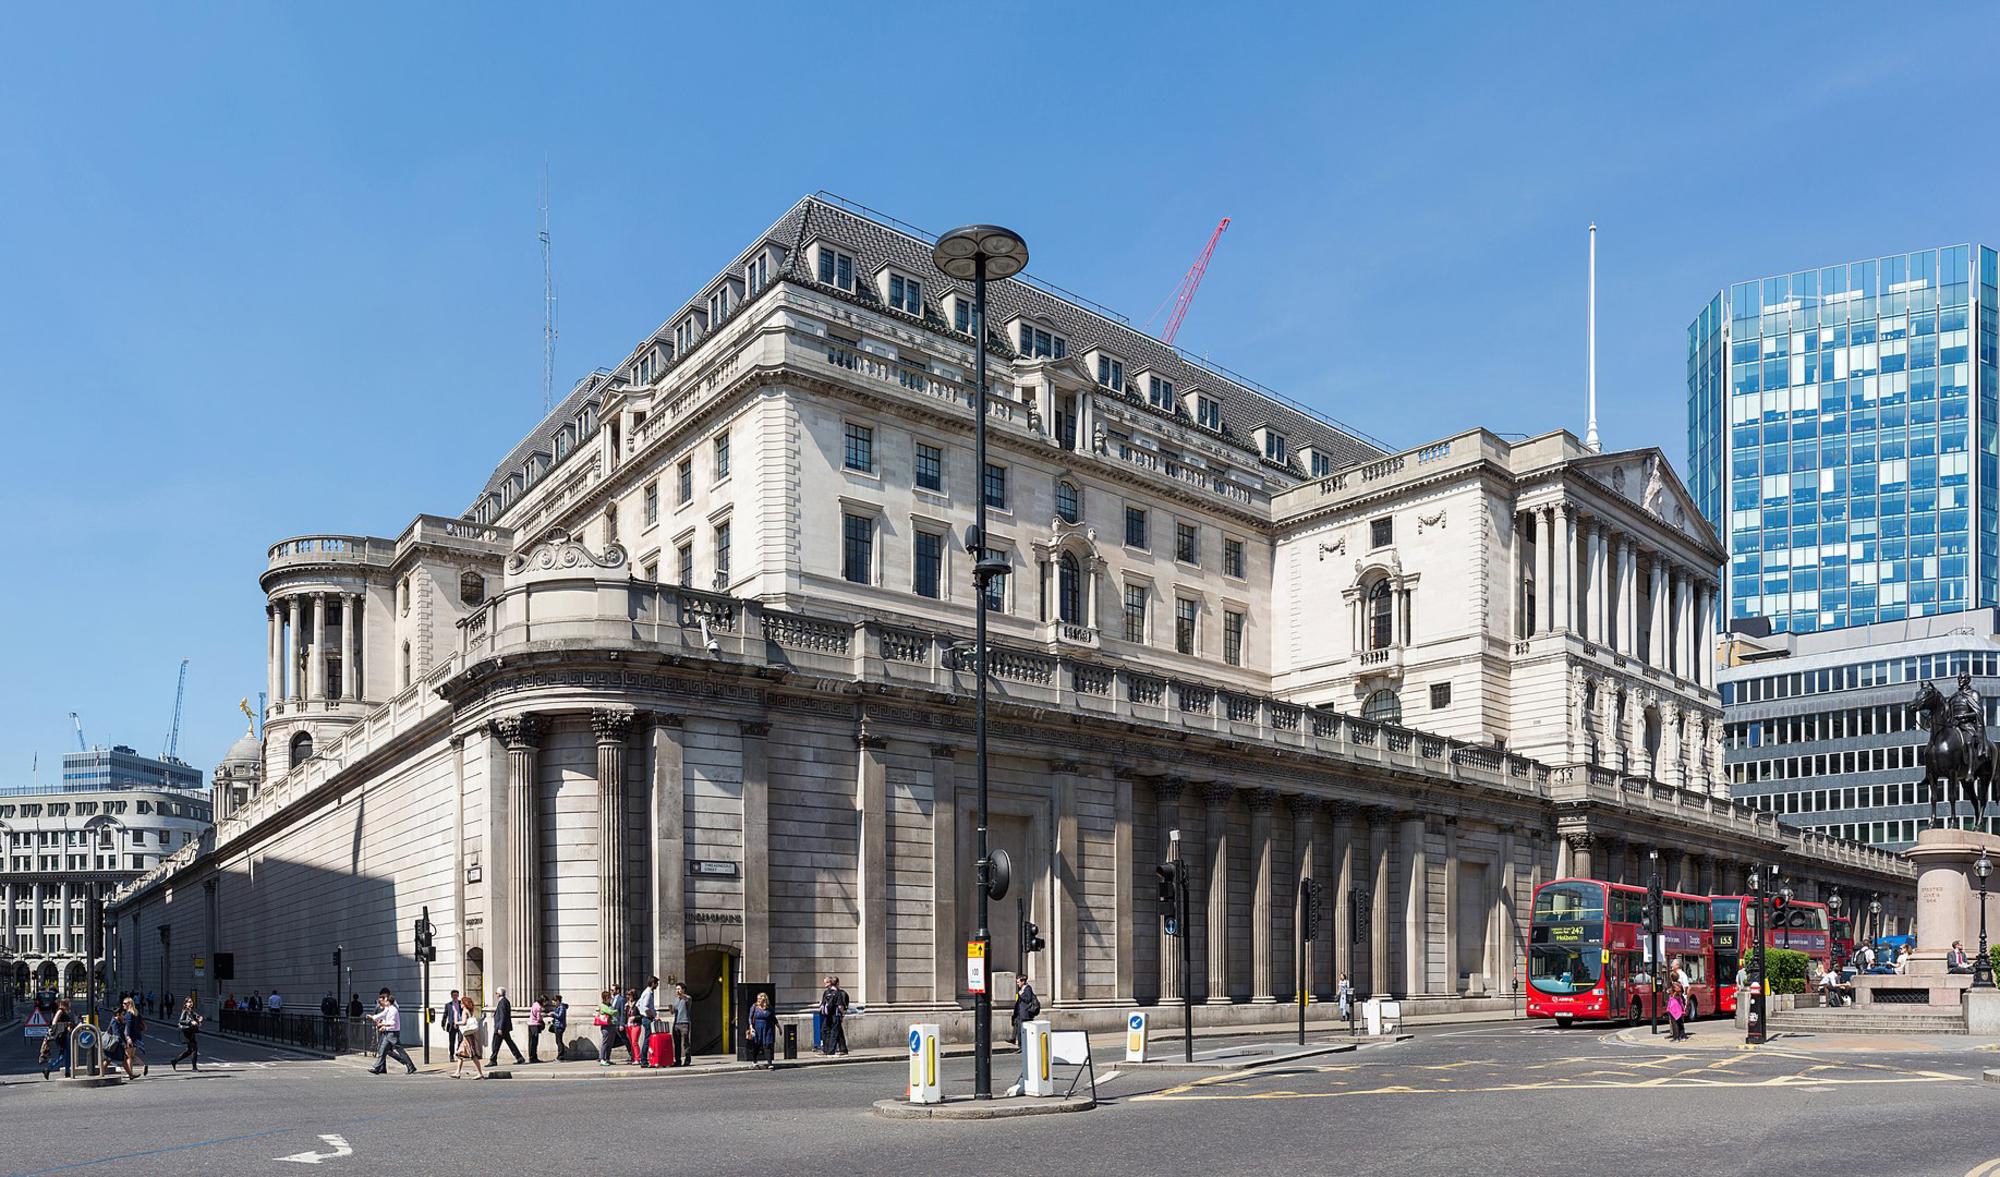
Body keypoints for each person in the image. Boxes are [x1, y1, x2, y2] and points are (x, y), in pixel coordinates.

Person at [369, 988, 418, 1075]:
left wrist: (383, 1025)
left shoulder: (393, 1010)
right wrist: (373, 1017)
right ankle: (377, 1068)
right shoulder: (388, 1009)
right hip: (388, 1033)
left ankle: (411, 1066)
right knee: (382, 1050)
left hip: (393, 1033)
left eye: (385, 1001)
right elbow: (382, 1015)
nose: (384, 1002)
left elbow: (392, 1022)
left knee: (400, 1051)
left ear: (388, 1001)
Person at [487, 987, 524, 1065]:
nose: (496, 995)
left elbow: (503, 1015)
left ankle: (493, 1060)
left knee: (495, 1044)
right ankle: (519, 1058)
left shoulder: (503, 1002)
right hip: (503, 1027)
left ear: (499, 994)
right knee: (509, 1043)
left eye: (496, 993)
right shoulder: (504, 1001)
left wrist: (500, 1028)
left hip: (501, 1028)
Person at [39, 999, 73, 1080]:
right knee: (63, 1055)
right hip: (61, 1036)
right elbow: (54, 1022)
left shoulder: (63, 1012)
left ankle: (67, 1072)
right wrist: (56, 1029)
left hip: (64, 1035)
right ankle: (48, 1069)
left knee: (67, 1055)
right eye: (68, 1004)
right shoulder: (60, 1011)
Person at [115, 996, 147, 1079]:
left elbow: (127, 1027)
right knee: (131, 1055)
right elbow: (141, 1023)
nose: (123, 1005)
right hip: (137, 1036)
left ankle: (130, 1073)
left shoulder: (128, 1014)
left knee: (128, 1055)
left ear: (129, 1004)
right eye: (123, 1003)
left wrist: (128, 1037)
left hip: (130, 1037)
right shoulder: (136, 1012)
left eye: (125, 1003)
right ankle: (142, 1066)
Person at [453, 999, 485, 1079]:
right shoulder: (469, 1011)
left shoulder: (464, 1011)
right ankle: (457, 1072)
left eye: (461, 1003)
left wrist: (456, 1022)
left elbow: (464, 1022)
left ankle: (480, 1073)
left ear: (464, 1004)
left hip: (468, 1037)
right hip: (468, 1036)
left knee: (473, 1055)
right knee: (460, 1054)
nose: (460, 1004)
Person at [818, 976, 850, 1055]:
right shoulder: (838, 993)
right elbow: (841, 1006)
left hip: (831, 1015)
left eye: (827, 982)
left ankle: (830, 1050)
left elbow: (839, 1005)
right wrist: (842, 1014)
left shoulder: (836, 993)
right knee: (836, 1032)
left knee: (832, 1032)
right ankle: (841, 1049)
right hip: (834, 1015)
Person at [171, 995, 203, 1071]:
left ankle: (174, 1061)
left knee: (189, 1051)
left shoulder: (191, 1011)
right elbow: (181, 1021)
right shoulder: (185, 1011)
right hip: (187, 1033)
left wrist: (199, 1019)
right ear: (185, 1003)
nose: (191, 1003)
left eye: (191, 1001)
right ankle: (194, 1068)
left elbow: (196, 1017)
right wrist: (190, 1021)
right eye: (189, 1002)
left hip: (191, 1032)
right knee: (194, 1049)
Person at [746, 992, 777, 1069]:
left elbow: (773, 1017)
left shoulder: (769, 1008)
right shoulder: (754, 1007)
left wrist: (779, 1027)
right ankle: (754, 1061)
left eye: (760, 999)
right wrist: (751, 1026)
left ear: (764, 1000)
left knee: (767, 1045)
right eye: (758, 999)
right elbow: (750, 1017)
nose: (759, 1001)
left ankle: (770, 1063)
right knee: (756, 1045)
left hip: (767, 1028)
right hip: (757, 1028)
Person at [1010, 973, 1041, 1046]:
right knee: (1016, 1026)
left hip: (1025, 1014)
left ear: (1023, 981)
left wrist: (1020, 995)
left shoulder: (1027, 988)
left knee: (1021, 1031)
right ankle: (1013, 1039)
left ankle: (1021, 1046)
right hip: (1020, 1013)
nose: (1017, 984)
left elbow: (1028, 999)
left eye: (1018, 982)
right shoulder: (1022, 989)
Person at [637, 978, 660, 1067]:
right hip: (648, 1019)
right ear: (653, 983)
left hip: (645, 1018)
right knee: (647, 1040)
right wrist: (653, 1016)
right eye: (656, 983)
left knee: (648, 1039)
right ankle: (643, 1060)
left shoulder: (645, 992)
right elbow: (646, 1007)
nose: (657, 985)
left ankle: (645, 1059)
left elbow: (638, 1004)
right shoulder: (648, 993)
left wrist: (641, 1012)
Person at [671, 983, 694, 1067]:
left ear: (683, 989)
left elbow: (687, 1000)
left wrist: (681, 995)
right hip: (676, 1023)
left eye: (679, 989)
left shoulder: (687, 998)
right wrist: (671, 1009)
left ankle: (687, 1060)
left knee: (685, 1042)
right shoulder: (676, 999)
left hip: (684, 1023)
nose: (677, 991)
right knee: (677, 1043)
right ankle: (677, 1061)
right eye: (676, 989)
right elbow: (673, 1011)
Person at [595, 990, 618, 1067]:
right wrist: (615, 1011)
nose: (610, 999)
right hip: (606, 1027)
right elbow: (610, 1012)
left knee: (610, 1043)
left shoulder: (609, 1005)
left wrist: (614, 1011)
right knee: (605, 1043)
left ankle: (607, 1058)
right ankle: (602, 1059)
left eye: (610, 997)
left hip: (612, 1025)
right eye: (608, 998)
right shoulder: (603, 1006)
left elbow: (612, 1012)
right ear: (604, 998)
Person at [441, 990, 465, 1060]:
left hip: (460, 1023)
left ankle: (458, 1052)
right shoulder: (448, 1005)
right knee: (452, 1041)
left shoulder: (461, 1003)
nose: (455, 997)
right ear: (451, 996)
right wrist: (443, 1024)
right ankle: (451, 1055)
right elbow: (445, 1015)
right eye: (454, 995)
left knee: (460, 1039)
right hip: (452, 1024)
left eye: (456, 995)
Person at [623, 987, 645, 1065]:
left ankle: (638, 1058)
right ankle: (633, 1057)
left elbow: (642, 1015)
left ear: (633, 995)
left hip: (636, 1025)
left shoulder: (638, 1004)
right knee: (631, 1042)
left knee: (634, 1042)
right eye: (627, 995)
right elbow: (625, 1016)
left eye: (629, 995)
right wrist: (626, 1009)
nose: (627, 996)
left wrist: (634, 1017)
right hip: (628, 1026)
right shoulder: (627, 1004)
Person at [547, 994, 568, 1060]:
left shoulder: (561, 1007)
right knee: (558, 1041)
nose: (554, 1004)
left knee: (559, 1041)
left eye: (554, 1002)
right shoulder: (559, 1007)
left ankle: (561, 1056)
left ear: (558, 1001)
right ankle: (561, 1055)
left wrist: (553, 1014)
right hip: (558, 1025)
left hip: (560, 1026)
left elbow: (560, 1016)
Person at [525, 995, 545, 1064]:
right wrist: (543, 1019)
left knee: (531, 1042)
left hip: (530, 1024)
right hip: (535, 1025)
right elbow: (538, 1018)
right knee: (534, 1042)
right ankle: (534, 1057)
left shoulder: (534, 1004)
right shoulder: (539, 1007)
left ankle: (531, 1056)